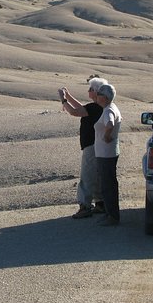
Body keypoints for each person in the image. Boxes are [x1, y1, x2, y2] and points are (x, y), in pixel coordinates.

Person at [59, 77, 108, 219]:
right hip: (98, 145)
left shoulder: (95, 107)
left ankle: (85, 206)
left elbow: (75, 112)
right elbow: (81, 108)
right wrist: (68, 96)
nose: (88, 91)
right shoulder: (99, 106)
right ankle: (100, 203)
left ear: (97, 92)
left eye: (91, 89)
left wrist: (63, 100)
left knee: (87, 175)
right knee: (97, 175)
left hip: (91, 146)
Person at [93, 83, 122, 226]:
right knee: (109, 184)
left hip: (106, 154)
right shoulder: (111, 107)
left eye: (98, 94)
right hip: (109, 153)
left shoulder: (108, 111)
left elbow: (109, 124)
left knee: (107, 185)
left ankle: (112, 216)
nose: (96, 97)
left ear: (104, 97)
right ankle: (110, 214)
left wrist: (106, 136)